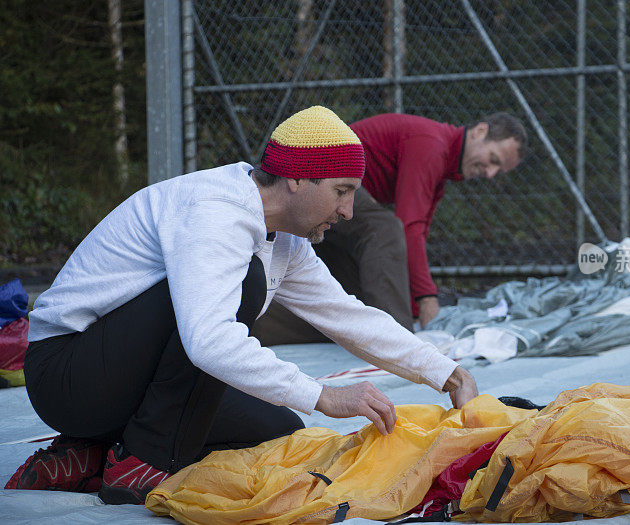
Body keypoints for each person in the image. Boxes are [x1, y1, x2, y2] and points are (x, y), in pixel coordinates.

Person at [5, 106, 478, 505]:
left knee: (276, 427)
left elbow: (346, 314)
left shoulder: (286, 242)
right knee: (244, 288)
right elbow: (208, 341)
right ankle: (138, 463)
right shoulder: (215, 211)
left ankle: (88, 454)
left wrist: (447, 373)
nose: (348, 211)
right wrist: (324, 395)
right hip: (66, 375)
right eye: (342, 191)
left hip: (113, 378)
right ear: (297, 179)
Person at [253, 112, 527, 345]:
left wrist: (416, 305)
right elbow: (408, 228)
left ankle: (255, 323)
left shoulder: (442, 164)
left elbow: (413, 239)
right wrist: (426, 299)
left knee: (353, 299)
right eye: (493, 159)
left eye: (498, 171)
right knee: (384, 228)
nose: (490, 173)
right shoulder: (432, 144)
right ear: (480, 131)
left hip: (344, 207)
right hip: (327, 180)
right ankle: (397, 343)